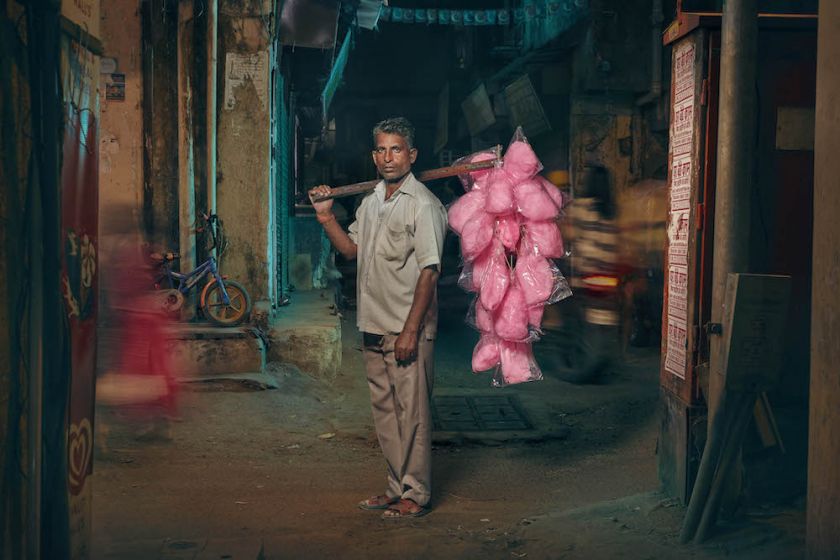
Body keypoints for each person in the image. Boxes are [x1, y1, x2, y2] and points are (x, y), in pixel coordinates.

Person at [309, 117, 447, 519]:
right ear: (374, 156)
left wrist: (410, 329)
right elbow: (351, 250)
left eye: (397, 149)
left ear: (412, 154)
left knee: (413, 415)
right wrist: (324, 216)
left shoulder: (423, 204)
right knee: (386, 413)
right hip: (372, 325)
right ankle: (395, 486)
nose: (389, 158)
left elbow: (430, 271)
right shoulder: (371, 201)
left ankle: (416, 493)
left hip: (406, 329)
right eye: (382, 150)